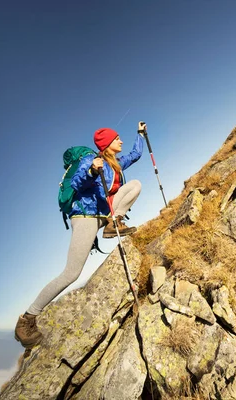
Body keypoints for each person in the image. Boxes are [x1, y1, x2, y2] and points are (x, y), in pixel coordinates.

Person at [14, 122, 145, 348]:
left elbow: (135, 155)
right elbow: (78, 182)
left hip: (101, 215)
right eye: (117, 139)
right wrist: (93, 170)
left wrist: (140, 134)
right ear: (107, 144)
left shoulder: (115, 164)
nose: (121, 141)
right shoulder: (92, 161)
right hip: (84, 216)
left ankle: (114, 222)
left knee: (134, 184)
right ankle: (27, 319)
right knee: (71, 273)